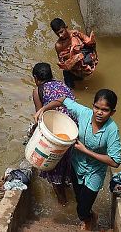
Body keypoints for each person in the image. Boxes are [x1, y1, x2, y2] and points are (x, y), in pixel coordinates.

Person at [34, 89, 121, 231]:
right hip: (77, 165)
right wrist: (43, 109)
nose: (99, 112)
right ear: (92, 106)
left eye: (105, 110)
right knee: (79, 200)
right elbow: (62, 100)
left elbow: (115, 161)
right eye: (96, 107)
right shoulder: (84, 113)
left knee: (81, 209)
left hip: (95, 171)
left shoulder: (112, 130)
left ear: (112, 112)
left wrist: (86, 151)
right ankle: (91, 216)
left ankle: (88, 219)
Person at [31, 62, 77, 206]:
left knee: (54, 166)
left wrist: (33, 134)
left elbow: (41, 116)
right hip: (73, 129)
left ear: (35, 78)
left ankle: (63, 204)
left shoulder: (38, 90)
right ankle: (74, 201)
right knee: (68, 164)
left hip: (57, 132)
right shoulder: (63, 86)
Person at [51, 18, 98, 88]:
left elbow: (90, 44)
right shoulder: (59, 45)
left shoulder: (75, 34)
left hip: (83, 64)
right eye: (57, 34)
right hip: (71, 70)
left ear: (66, 27)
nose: (60, 35)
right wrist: (72, 58)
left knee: (82, 81)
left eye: (61, 32)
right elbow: (62, 62)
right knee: (70, 88)